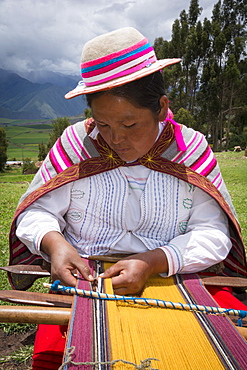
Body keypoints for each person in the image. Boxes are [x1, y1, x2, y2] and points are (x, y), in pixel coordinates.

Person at [9, 27, 247, 369]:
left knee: (225, 347)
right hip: (86, 283)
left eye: (130, 124)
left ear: (162, 107)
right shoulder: (77, 143)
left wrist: (152, 262)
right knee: (56, 358)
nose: (116, 138)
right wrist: (55, 246)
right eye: (103, 124)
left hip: (174, 277)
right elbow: (37, 213)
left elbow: (212, 234)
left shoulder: (190, 149)